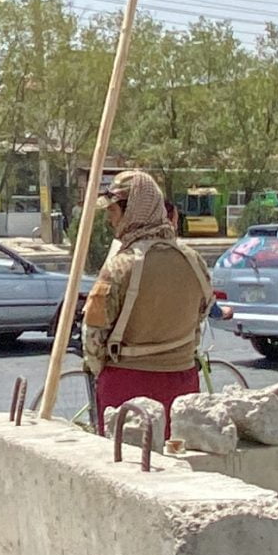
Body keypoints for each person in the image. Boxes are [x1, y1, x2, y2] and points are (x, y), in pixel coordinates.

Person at [81, 171, 213, 425]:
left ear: (131, 211)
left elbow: (93, 334)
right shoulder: (193, 261)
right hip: (183, 383)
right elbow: (203, 311)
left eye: (113, 211)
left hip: (127, 386)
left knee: (127, 461)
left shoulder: (120, 266)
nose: (109, 220)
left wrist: (100, 369)